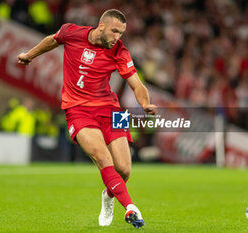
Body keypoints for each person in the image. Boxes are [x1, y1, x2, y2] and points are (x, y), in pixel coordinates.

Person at [17, 9, 157, 229]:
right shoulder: (71, 32)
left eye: (121, 33)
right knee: (102, 157)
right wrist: (30, 55)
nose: (117, 38)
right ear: (101, 25)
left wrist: (145, 104)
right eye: (114, 31)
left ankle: (108, 195)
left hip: (112, 109)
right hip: (78, 109)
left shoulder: (120, 51)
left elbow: (136, 84)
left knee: (125, 170)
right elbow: (52, 41)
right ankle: (130, 207)